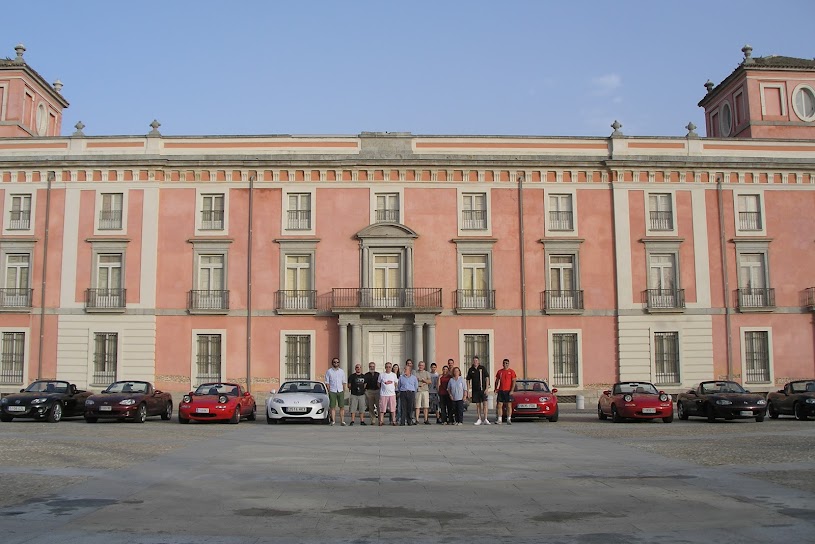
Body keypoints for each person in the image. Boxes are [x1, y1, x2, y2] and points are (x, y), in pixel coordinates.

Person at [466, 356, 490, 425]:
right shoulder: (471, 370)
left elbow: (487, 378)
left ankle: (485, 418)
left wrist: (487, 388)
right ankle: (479, 418)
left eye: (476, 361)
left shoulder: (482, 368)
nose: (475, 362)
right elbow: (468, 380)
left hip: (483, 389)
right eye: (474, 361)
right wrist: (468, 391)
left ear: (478, 361)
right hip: (475, 390)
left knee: (485, 404)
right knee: (478, 404)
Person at [325, 357, 347, 426]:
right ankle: (333, 420)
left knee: (342, 407)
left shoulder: (341, 371)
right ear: (332, 363)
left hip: (340, 390)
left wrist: (343, 390)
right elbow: (327, 382)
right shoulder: (329, 371)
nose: (336, 363)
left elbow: (344, 381)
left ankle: (342, 421)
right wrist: (329, 390)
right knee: (332, 407)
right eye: (334, 362)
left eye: (337, 362)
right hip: (332, 390)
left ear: (339, 363)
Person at [494, 358, 517, 425]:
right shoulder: (500, 372)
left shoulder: (511, 372)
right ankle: (499, 419)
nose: (505, 364)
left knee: (509, 405)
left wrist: (512, 390)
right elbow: (497, 381)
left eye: (507, 363)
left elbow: (514, 381)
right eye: (504, 363)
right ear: (502, 364)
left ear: (508, 364)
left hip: (508, 391)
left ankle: (509, 419)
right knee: (499, 405)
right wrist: (496, 389)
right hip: (501, 391)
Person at [377, 362, 398, 426]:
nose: (388, 368)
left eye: (389, 367)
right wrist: (383, 388)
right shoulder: (381, 375)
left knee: (393, 408)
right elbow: (378, 383)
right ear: (385, 367)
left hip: (391, 394)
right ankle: (381, 421)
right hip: (383, 394)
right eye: (387, 367)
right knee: (382, 409)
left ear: (391, 368)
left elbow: (396, 383)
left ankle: (394, 421)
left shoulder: (394, 375)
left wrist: (392, 388)